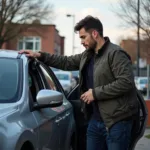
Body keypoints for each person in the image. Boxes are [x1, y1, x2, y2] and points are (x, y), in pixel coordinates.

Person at [19, 15, 138, 150]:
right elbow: (65, 61)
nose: (81, 42)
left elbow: (126, 82)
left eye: (83, 37)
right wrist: (40, 55)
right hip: (95, 121)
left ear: (94, 34)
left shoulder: (115, 53)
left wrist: (95, 93)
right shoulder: (88, 55)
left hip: (116, 122)